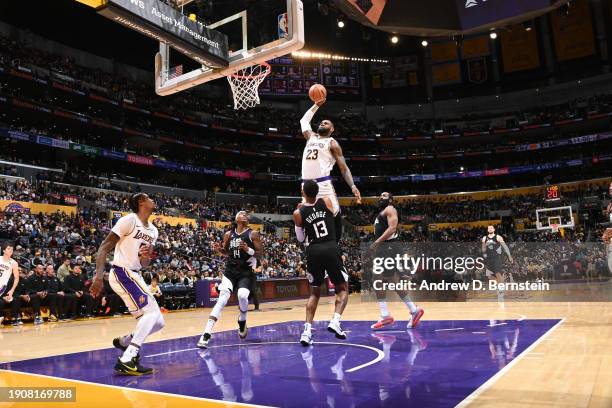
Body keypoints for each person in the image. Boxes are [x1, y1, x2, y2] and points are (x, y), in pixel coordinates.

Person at [90, 193, 163, 376]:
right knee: (152, 312)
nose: (153, 200)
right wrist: (98, 276)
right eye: (149, 198)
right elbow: (104, 248)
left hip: (135, 274)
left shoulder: (153, 231)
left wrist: (146, 256)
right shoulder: (129, 221)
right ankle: (128, 357)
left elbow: (145, 263)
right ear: (141, 202)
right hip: (122, 272)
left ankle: (125, 342)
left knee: (158, 322)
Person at [294, 180, 349, 346]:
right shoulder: (326, 200)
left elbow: (300, 238)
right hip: (331, 247)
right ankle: (335, 320)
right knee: (343, 288)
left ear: (303, 193)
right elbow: (335, 214)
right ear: (317, 191)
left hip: (313, 251)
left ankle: (306, 331)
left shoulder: (298, 212)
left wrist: (302, 209)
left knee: (314, 292)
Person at [197, 211, 263, 349]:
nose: (245, 215)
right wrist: (219, 250)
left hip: (246, 272)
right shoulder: (228, 234)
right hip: (230, 271)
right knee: (221, 300)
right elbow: (226, 252)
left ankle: (242, 320)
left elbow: (260, 254)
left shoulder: (253, 234)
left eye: (246, 214)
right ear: (236, 219)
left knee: (242, 296)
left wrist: (247, 249)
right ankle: (206, 334)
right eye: (242, 214)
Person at [300, 98, 361, 243]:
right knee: (307, 215)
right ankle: (311, 244)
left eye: (326, 123)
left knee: (334, 213)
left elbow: (344, 168)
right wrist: (316, 105)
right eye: (321, 122)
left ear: (332, 129)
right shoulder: (311, 137)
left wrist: (352, 186)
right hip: (306, 185)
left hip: (323, 185)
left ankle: (336, 243)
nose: (322, 123)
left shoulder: (332, 143)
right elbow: (304, 120)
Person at [369, 192, 424, 330]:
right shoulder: (383, 212)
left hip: (389, 247)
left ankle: (386, 315)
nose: (381, 197)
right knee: (392, 281)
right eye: (380, 196)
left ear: (391, 200)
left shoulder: (390, 209)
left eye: (384, 196)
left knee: (379, 279)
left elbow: (392, 228)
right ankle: (413, 310)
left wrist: (376, 242)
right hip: (386, 248)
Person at [481, 225, 514, 304]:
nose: (490, 229)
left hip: (496, 258)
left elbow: (505, 246)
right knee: (489, 276)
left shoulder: (498, 237)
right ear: (487, 230)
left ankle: (501, 294)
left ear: (494, 229)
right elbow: (483, 249)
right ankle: (501, 284)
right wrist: (485, 246)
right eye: (488, 228)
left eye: (491, 228)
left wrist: (509, 256)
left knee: (498, 274)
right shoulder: (484, 238)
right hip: (489, 259)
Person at [0, 243, 20, 326]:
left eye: (12, 249)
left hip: (2, 287)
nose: (11, 250)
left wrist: (12, 290)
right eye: (8, 249)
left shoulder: (13, 263)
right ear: (4, 250)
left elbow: (16, 278)